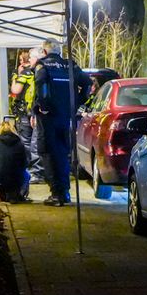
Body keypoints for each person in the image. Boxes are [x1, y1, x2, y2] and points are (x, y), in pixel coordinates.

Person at [32, 44, 92, 206]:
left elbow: (41, 84)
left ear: (45, 51)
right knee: (63, 153)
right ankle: (64, 192)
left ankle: (56, 194)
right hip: (65, 116)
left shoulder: (42, 65)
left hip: (48, 117)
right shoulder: (70, 65)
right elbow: (88, 83)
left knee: (47, 152)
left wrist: (43, 106)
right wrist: (76, 103)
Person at [9, 49, 45, 185]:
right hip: (38, 112)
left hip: (27, 112)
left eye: (30, 57)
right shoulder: (42, 72)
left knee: (27, 142)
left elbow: (15, 90)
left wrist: (15, 76)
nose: (29, 60)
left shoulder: (27, 73)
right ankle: (37, 171)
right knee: (36, 142)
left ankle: (33, 171)